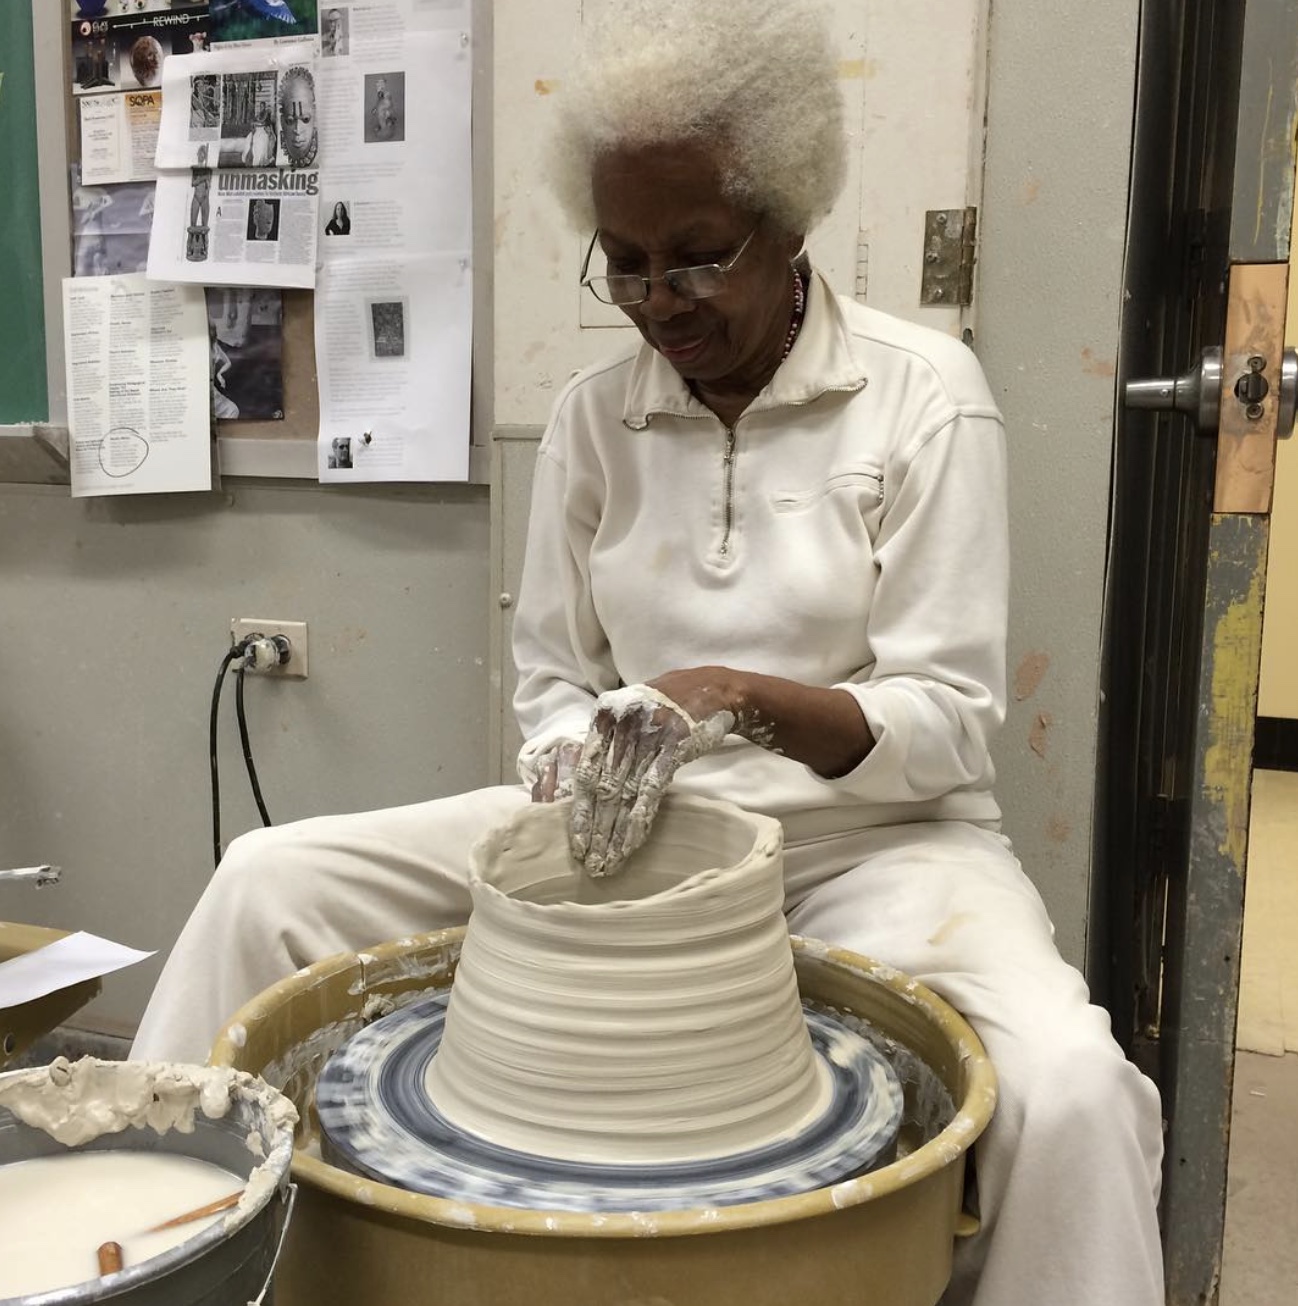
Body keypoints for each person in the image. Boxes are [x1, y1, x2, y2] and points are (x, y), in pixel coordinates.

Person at [132, 3, 1164, 1303]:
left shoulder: (922, 393)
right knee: (264, 880)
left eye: (694, 259)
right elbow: (551, 686)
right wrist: (583, 767)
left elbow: (949, 720)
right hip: (626, 830)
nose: (656, 303)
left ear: (789, 223)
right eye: (622, 264)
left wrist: (727, 699)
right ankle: (152, 1248)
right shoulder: (594, 417)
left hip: (875, 850)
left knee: (1068, 1091)